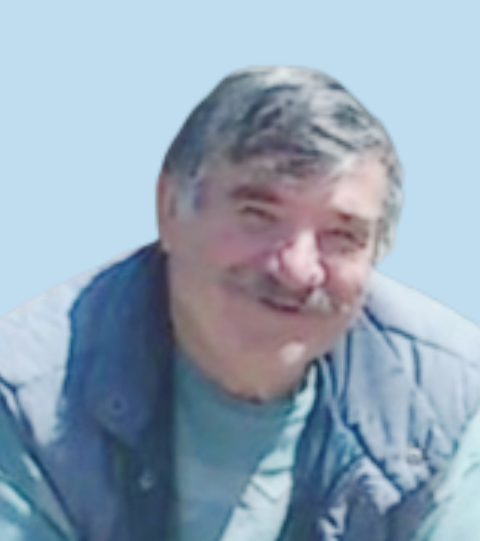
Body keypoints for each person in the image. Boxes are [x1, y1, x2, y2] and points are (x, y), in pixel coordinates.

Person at [1, 66, 480, 541]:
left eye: (341, 236)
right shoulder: (27, 398)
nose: (296, 270)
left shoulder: (447, 401)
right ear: (169, 208)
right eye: (259, 215)